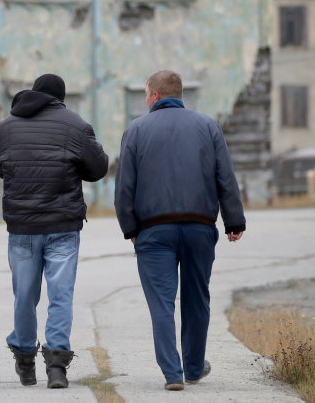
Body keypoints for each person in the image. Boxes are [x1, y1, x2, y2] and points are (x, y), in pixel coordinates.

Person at [114, 70, 245, 391]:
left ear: (155, 95)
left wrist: (130, 226)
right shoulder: (207, 126)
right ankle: (195, 368)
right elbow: (224, 176)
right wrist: (234, 220)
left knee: (162, 302)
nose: (145, 100)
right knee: (196, 298)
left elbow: (124, 186)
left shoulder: (136, 130)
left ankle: (172, 373)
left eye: (146, 94)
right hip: (200, 227)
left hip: (153, 231)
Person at [0, 73, 109, 388]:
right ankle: (57, 367)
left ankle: (26, 361)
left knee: (24, 296)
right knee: (61, 295)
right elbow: (98, 168)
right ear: (61, 96)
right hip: (62, 226)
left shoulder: (6, 127)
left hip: (22, 226)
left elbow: (0, 167)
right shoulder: (75, 125)